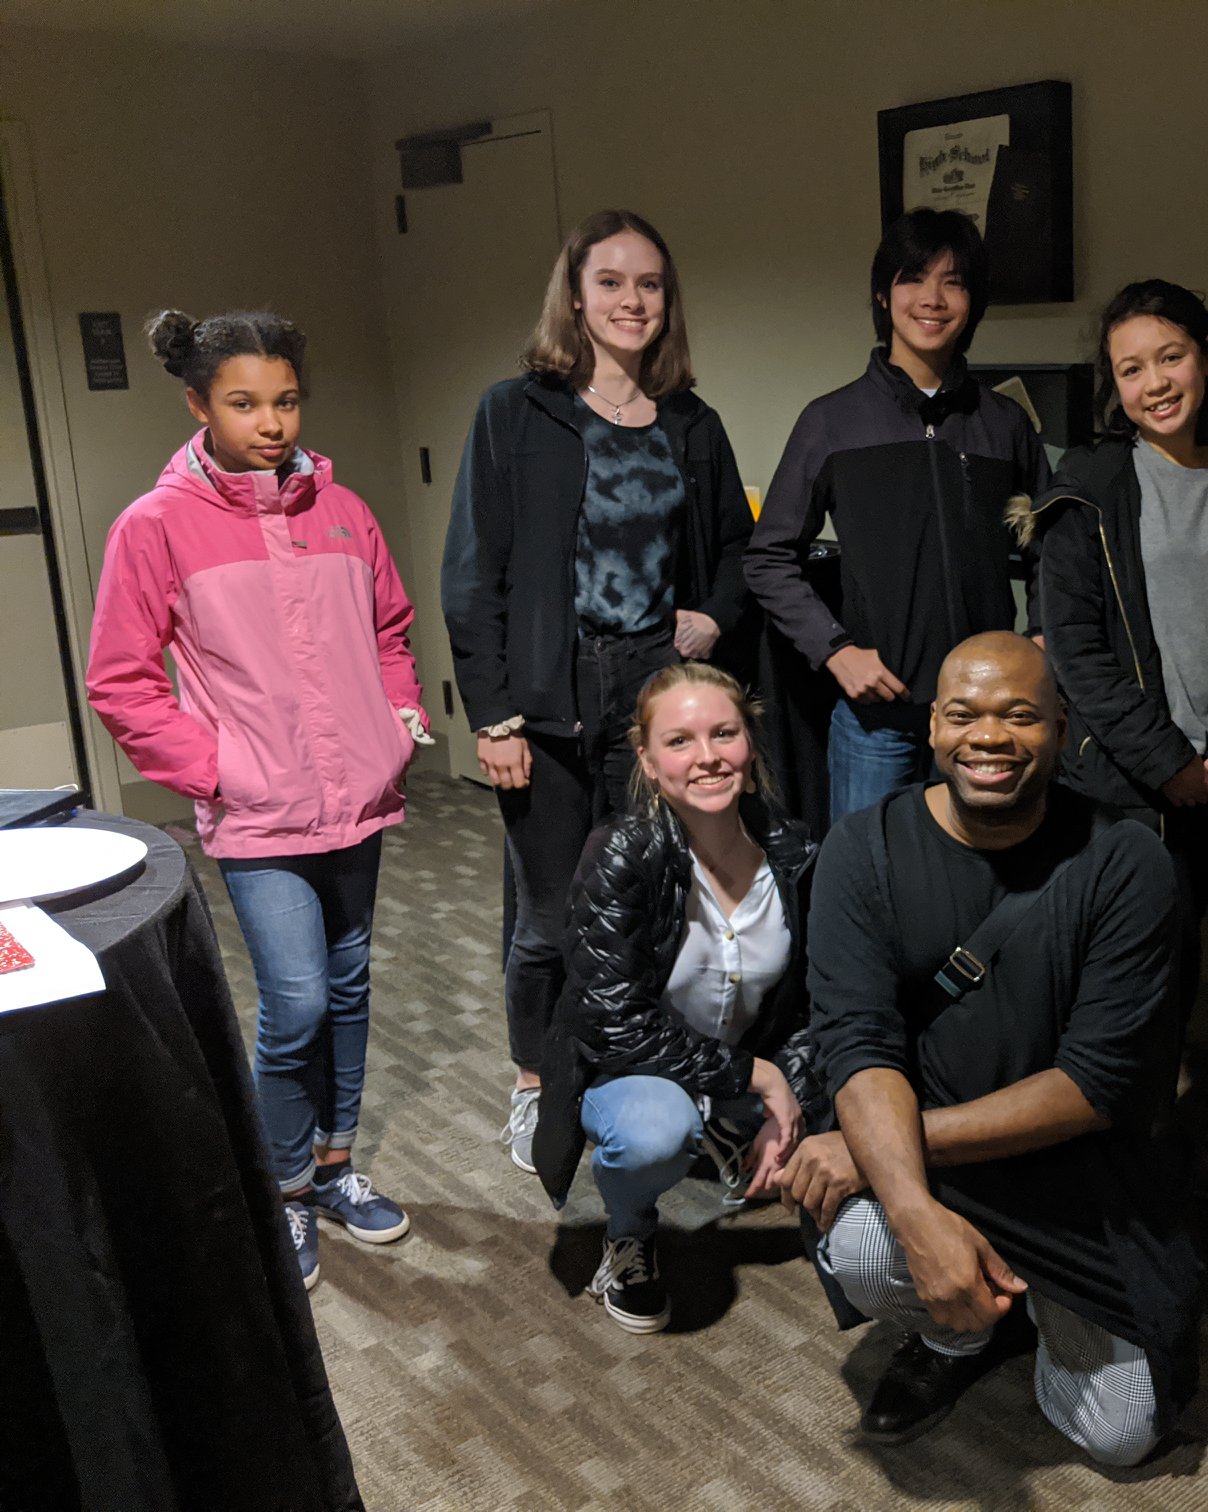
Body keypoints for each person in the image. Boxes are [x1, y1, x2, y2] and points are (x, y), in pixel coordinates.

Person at [779, 632, 1197, 1466]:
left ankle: (1024, 1304)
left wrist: (875, 1152)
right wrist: (914, 1214)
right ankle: (959, 1333)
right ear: (934, 726)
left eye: (1020, 716)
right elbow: (859, 1045)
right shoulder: (863, 849)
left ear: (1061, 728)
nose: (990, 738)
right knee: (861, 1244)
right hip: (943, 1169)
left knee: (1121, 1435)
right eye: (965, 714)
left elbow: (1094, 1086)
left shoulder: (1128, 861)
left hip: (1083, 1179)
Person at [87, 308, 426, 1289]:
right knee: (297, 998)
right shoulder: (154, 526)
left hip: (357, 796)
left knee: (350, 988)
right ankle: (284, 1185)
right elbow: (121, 681)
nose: (270, 423)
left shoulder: (344, 509)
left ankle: (336, 1164)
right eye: (244, 403)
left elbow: (390, 631)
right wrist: (218, 768)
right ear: (199, 405)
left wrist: (396, 722)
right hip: (258, 812)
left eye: (285, 401)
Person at [441, 209, 756, 1174]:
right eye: (610, 282)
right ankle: (537, 1084)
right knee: (548, 917)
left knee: (653, 901)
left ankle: (647, 1080)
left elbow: (738, 551)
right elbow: (473, 576)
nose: (631, 301)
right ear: (574, 297)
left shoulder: (692, 424)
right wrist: (492, 714)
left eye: (649, 284)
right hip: (543, 696)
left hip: (652, 693)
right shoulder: (516, 413)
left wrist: (710, 616)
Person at [529, 663, 818, 1333]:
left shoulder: (795, 850)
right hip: (633, 1068)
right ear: (648, 760)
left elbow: (816, 1004)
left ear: (750, 744)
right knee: (654, 1134)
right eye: (680, 741)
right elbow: (613, 1022)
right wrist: (758, 1078)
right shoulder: (621, 852)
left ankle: (728, 1126)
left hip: (743, 1061)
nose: (707, 757)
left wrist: (792, 1095)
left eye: (724, 734)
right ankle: (630, 1233)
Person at [743, 209, 1050, 826]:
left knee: (986, 872)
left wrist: (1041, 638)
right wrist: (835, 651)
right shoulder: (831, 421)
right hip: (876, 723)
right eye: (913, 278)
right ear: (884, 296)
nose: (932, 299)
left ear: (973, 302)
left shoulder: (1005, 423)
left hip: (985, 721)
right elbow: (768, 556)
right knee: (870, 873)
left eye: (953, 282)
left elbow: (1053, 549)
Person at [1015, 278, 1208, 918]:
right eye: (1131, 370)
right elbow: (1075, 646)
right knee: (1122, 948)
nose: (1156, 384)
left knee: (1183, 940)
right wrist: (1167, 762)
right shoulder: (1089, 482)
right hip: (1122, 778)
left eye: (1171, 357)